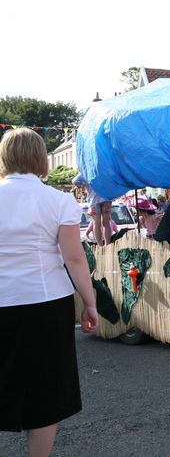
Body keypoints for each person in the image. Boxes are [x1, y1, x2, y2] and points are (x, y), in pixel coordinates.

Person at [0, 128, 99, 456]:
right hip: (45, 302)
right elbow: (73, 257)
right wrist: (90, 302)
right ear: (41, 158)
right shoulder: (59, 200)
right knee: (45, 391)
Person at [72, 172, 113, 246]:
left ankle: (100, 245)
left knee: (96, 222)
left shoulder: (87, 169)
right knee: (106, 222)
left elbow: (75, 181)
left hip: (93, 198)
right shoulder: (105, 165)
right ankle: (107, 244)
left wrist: (85, 183)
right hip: (106, 196)